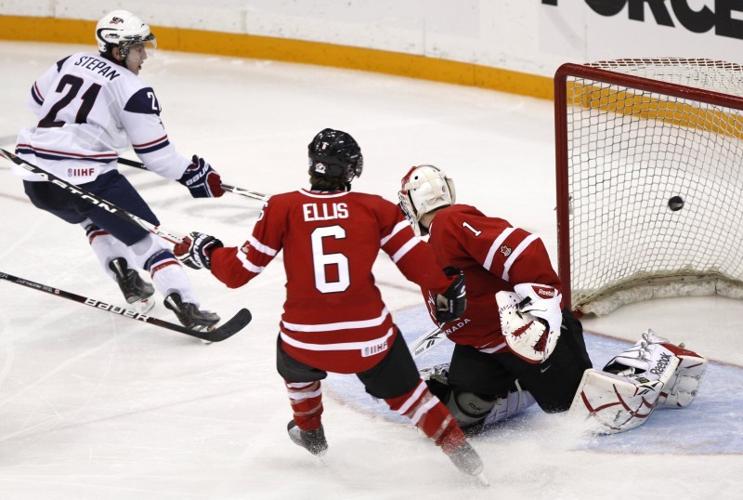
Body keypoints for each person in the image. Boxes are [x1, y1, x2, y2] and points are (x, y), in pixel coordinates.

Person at [174, 128, 487, 481]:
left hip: (306, 342)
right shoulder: (377, 209)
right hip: (369, 341)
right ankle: (467, 460)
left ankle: (310, 431)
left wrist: (207, 251)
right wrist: (450, 285)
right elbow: (423, 268)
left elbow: (236, 273)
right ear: (352, 169)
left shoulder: (281, 207)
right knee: (415, 399)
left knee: (290, 354)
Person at [397, 164, 707, 434]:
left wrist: (543, 309)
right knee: (459, 413)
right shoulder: (429, 247)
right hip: (486, 350)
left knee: (587, 413)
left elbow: (522, 247)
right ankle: (521, 385)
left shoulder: (451, 222)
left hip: (534, 340)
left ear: (412, 203)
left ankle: (659, 357)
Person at [11, 10, 224, 330]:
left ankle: (123, 273)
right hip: (88, 179)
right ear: (118, 50)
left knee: (89, 217)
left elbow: (35, 100)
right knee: (149, 241)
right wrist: (196, 175)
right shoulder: (133, 89)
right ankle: (186, 305)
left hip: (36, 176)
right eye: (139, 49)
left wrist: (79, 129)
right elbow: (158, 157)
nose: (145, 56)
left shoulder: (70, 61)